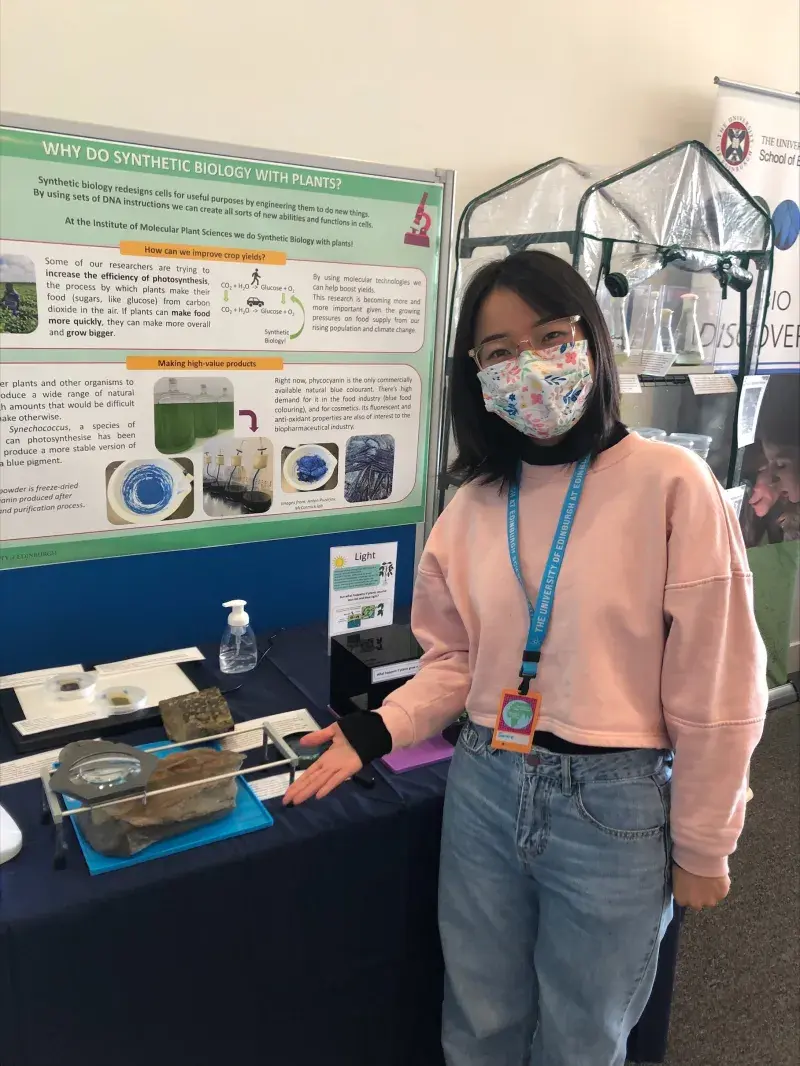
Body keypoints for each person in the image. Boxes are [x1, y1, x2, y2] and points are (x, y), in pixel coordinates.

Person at [284, 251, 767, 1066]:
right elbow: (457, 661)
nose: (528, 367)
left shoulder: (670, 484)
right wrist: (378, 731)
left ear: (590, 337)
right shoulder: (474, 505)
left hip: (613, 808)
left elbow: (717, 686)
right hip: (484, 784)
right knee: (478, 1026)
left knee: (582, 1040)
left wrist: (705, 842)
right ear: (475, 374)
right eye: (499, 352)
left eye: (548, 336)